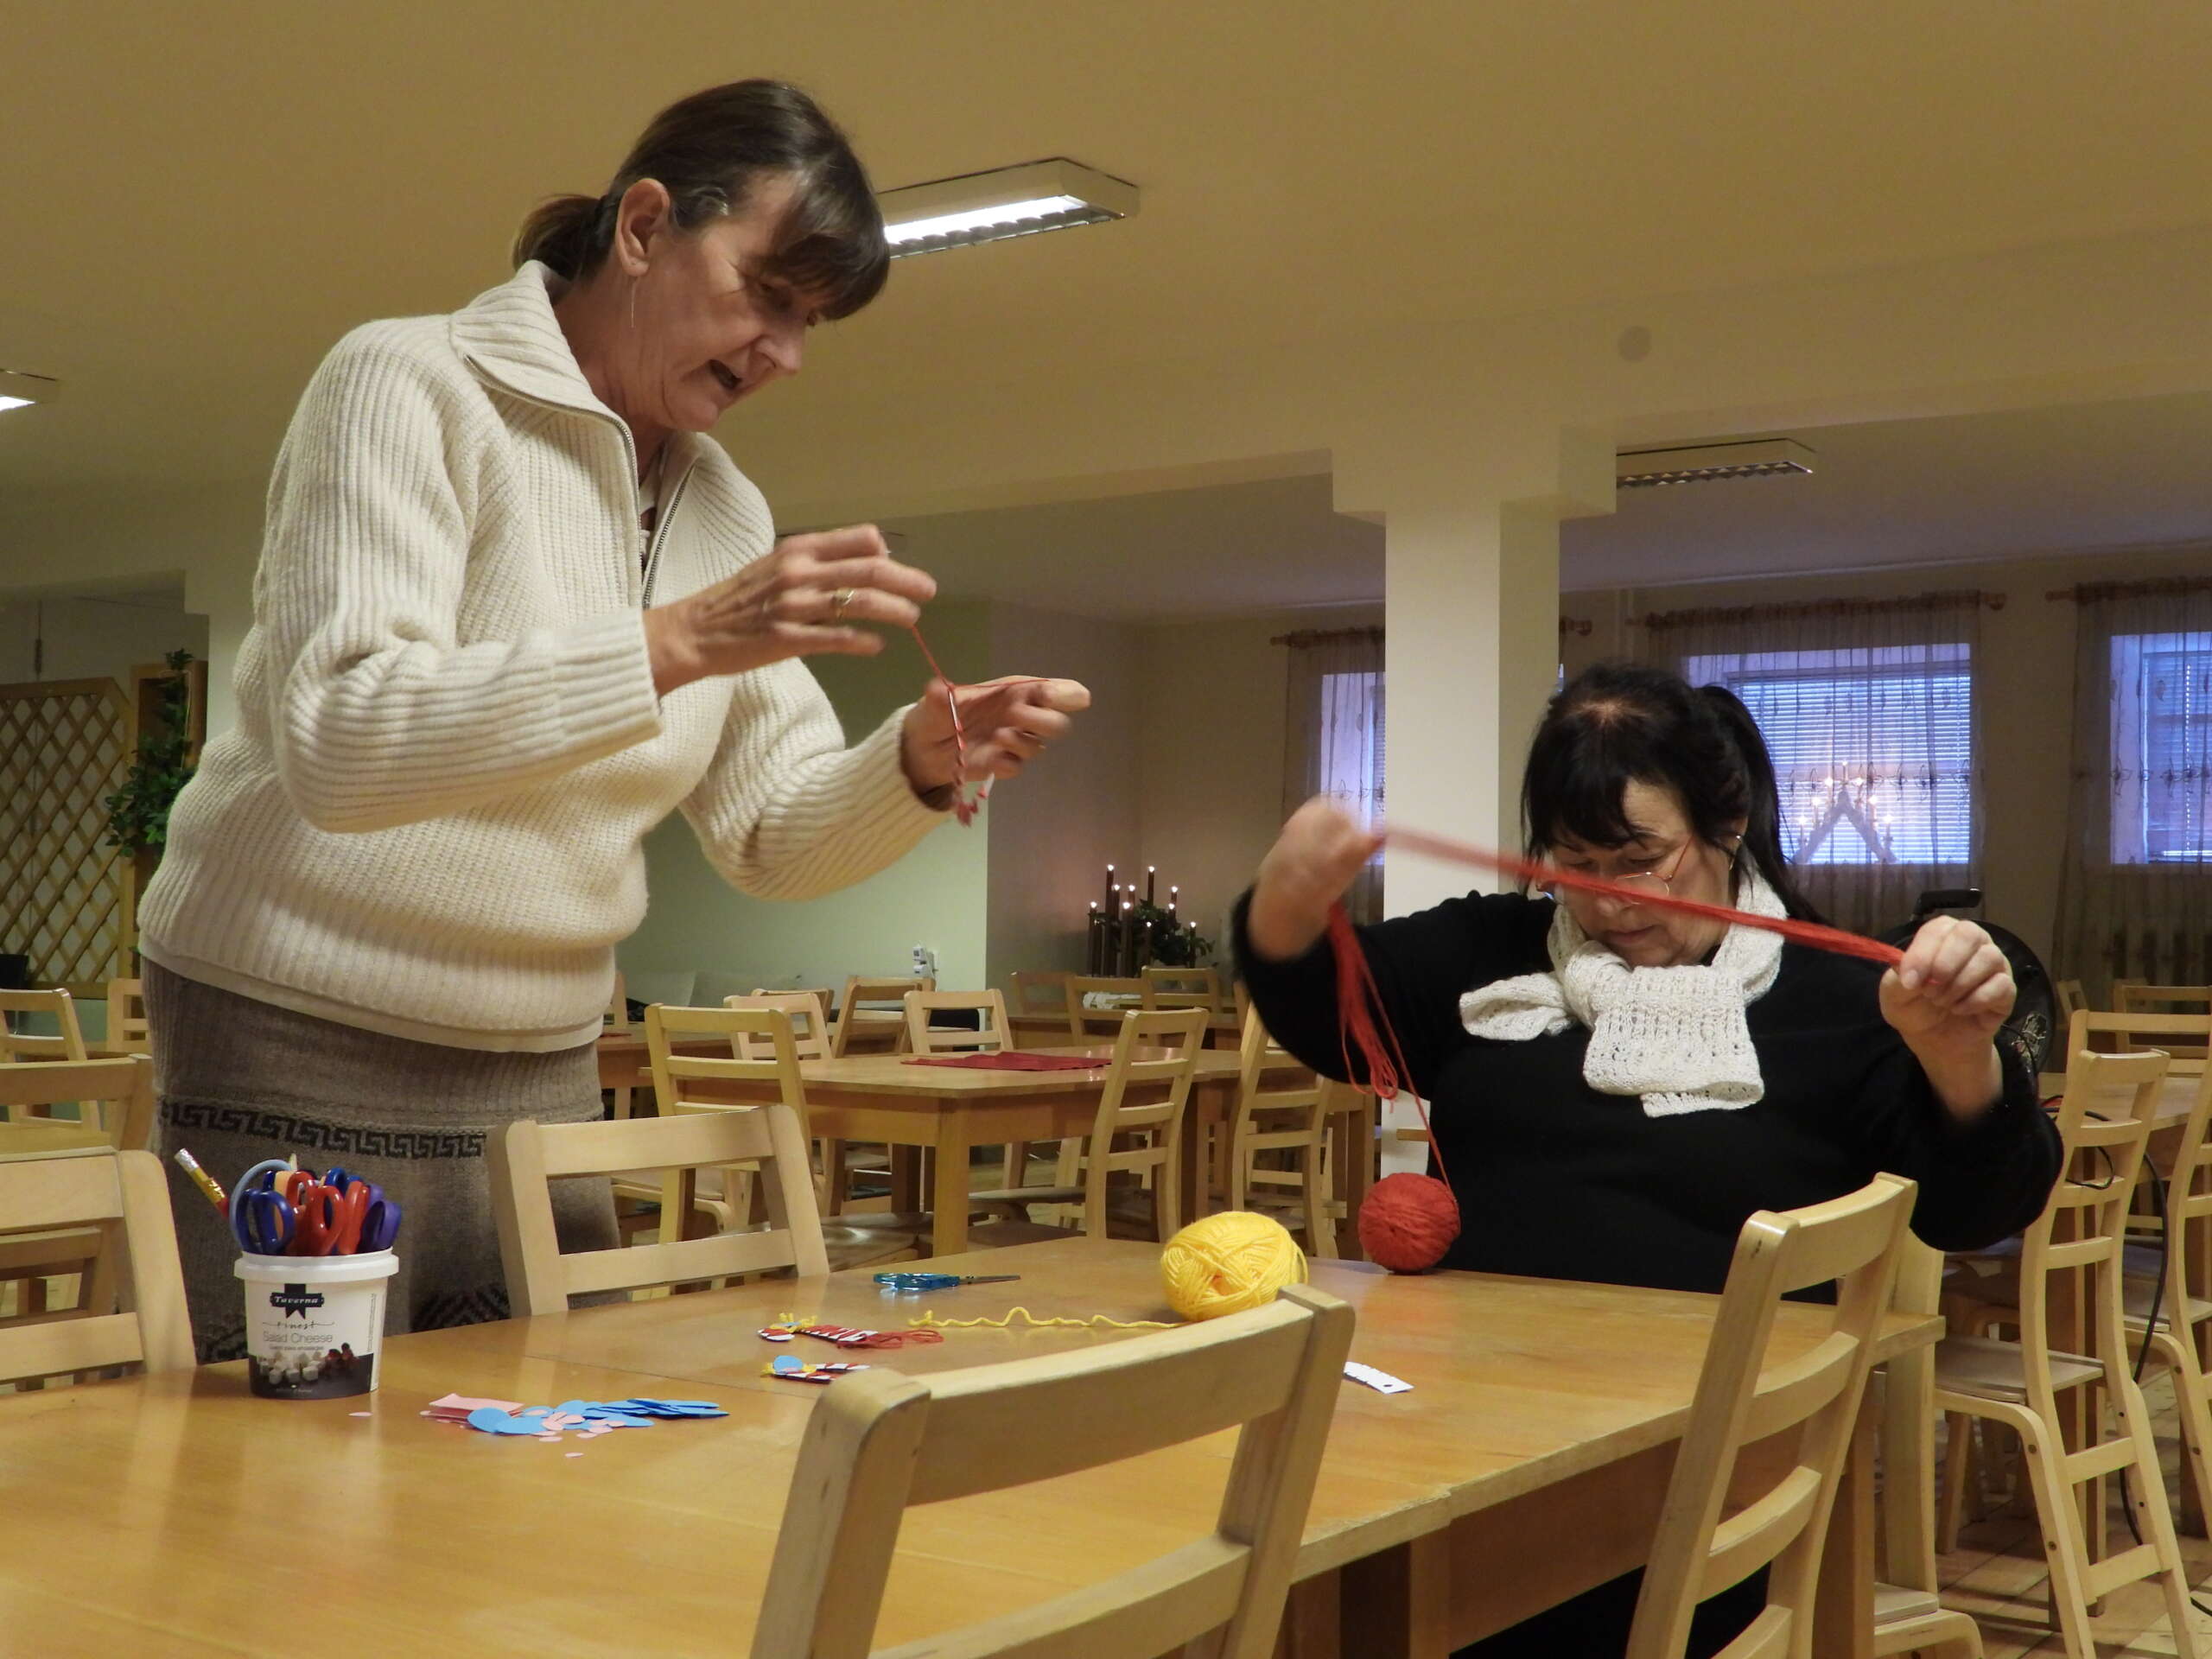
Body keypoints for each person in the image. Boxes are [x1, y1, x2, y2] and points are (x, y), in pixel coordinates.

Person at [139, 79, 1088, 1360]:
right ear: (644, 226)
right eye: (767, 293)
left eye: (809, 322)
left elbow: (771, 834)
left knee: (546, 1443)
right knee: (284, 1461)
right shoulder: (407, 381)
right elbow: (342, 741)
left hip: (545, 1065)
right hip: (291, 1032)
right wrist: (677, 640)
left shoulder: (721, 507)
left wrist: (914, 766)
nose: (785, 353)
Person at [1237, 660, 2060, 1657]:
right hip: (1472, 1438)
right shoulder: (1489, 955)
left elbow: (1980, 1206)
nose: (1611, 901)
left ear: (1727, 825)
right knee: (1279, 1570)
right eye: (1574, 862)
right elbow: (1326, 1007)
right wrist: (1284, 906)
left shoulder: (1841, 997)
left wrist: (1958, 1056)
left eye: (1641, 860)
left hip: (1713, 1473)